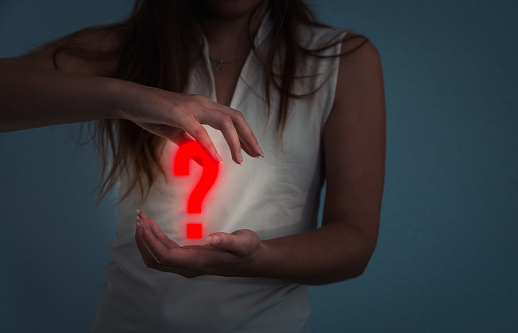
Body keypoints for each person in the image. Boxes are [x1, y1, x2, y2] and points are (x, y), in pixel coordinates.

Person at [0, 0, 386, 331]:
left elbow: (354, 241)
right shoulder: (124, 51)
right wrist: (124, 96)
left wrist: (257, 258)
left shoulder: (342, 61)